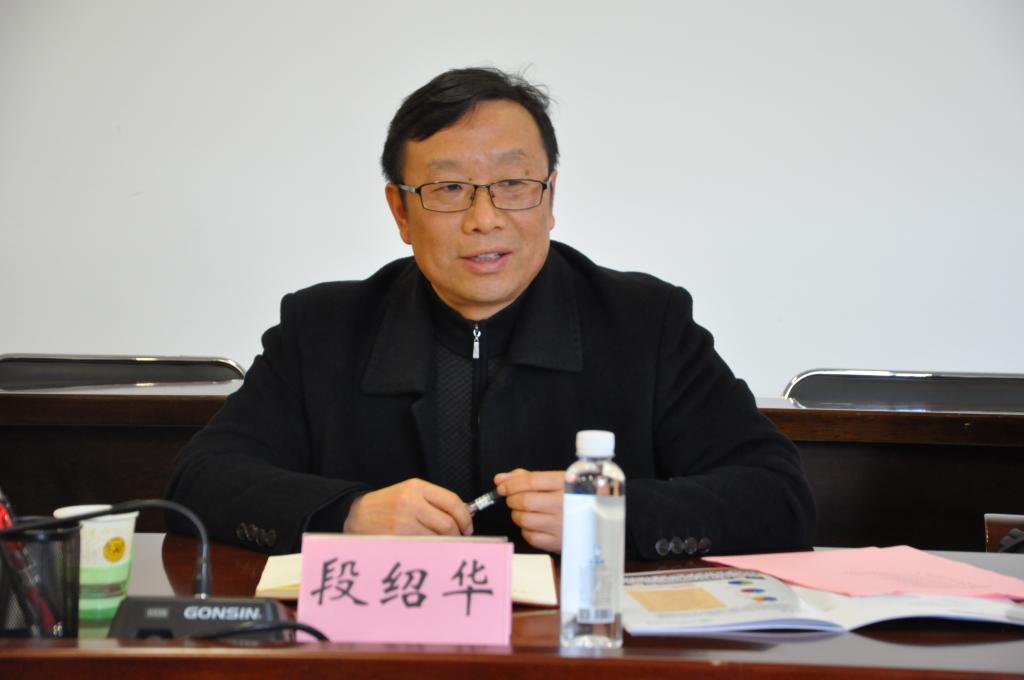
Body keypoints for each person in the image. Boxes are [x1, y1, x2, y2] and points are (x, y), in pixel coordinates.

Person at [166, 67, 815, 559]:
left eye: (513, 184)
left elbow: (777, 495)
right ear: (400, 211)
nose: (485, 218)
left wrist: (609, 516)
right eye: (449, 188)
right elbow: (203, 477)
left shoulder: (646, 322)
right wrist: (348, 514)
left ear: (550, 197)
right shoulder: (323, 328)